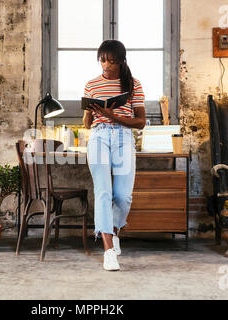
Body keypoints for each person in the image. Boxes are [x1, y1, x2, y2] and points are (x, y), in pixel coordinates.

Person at [82, 40, 146, 271]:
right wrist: (91, 112)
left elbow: (141, 122)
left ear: (120, 61)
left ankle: (115, 231)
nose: (105, 65)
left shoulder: (133, 85)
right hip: (98, 137)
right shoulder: (92, 85)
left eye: (110, 61)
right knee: (103, 192)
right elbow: (88, 124)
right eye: (102, 60)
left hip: (123, 137)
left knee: (123, 195)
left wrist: (113, 115)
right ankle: (108, 250)